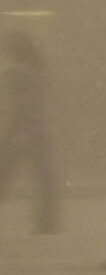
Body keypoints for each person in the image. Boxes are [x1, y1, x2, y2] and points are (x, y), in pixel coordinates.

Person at [0, 32, 59, 235]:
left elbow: (20, 106)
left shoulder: (17, 74)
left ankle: (47, 222)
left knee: (5, 174)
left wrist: (13, 132)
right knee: (43, 179)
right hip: (37, 131)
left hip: (21, 130)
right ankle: (47, 223)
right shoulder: (37, 72)